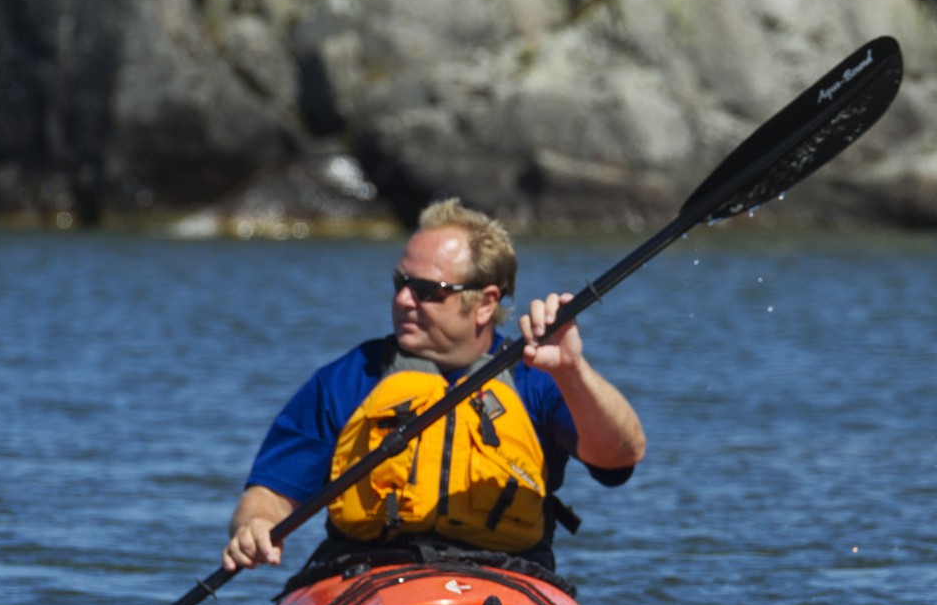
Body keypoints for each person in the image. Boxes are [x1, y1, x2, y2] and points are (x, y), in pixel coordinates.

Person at [220, 199, 647, 579]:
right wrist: (253, 526)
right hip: (369, 575)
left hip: (506, 576)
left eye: (427, 291)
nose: (404, 300)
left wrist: (572, 370)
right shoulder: (350, 379)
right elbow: (270, 495)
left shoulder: (537, 377)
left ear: (484, 302)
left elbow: (619, 459)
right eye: (400, 283)